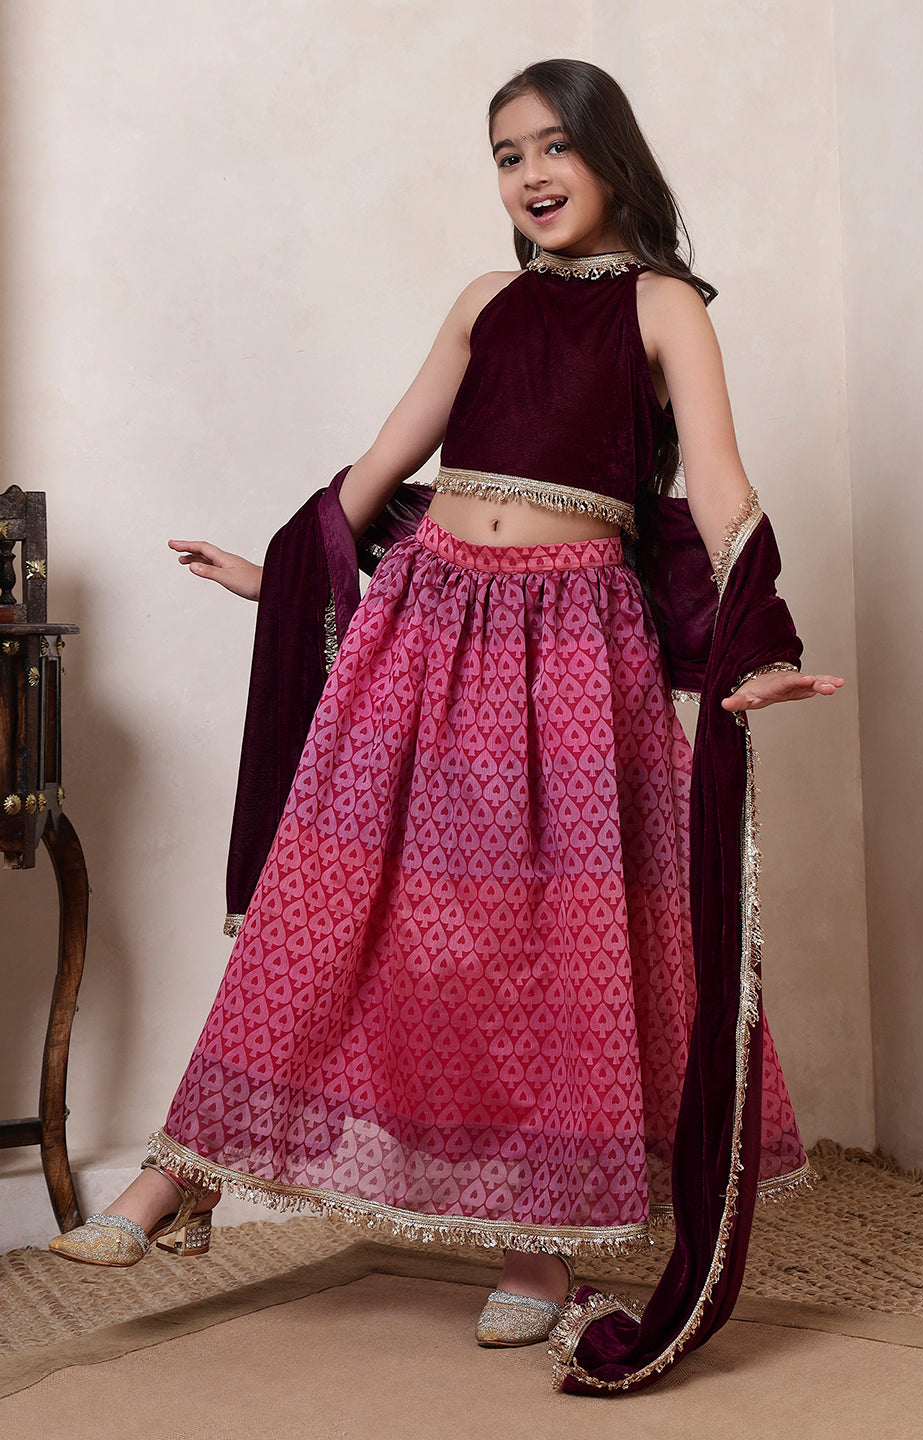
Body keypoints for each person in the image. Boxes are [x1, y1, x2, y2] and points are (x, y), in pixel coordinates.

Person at [49, 59, 842, 1392]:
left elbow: (717, 485)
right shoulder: (485, 299)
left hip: (574, 649)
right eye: (506, 155)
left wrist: (759, 640)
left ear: (610, 155)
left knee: (541, 942)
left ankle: (539, 1251)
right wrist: (283, 579)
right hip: (424, 624)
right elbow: (381, 465)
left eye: (552, 147)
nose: (530, 175)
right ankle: (177, 1176)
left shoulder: (664, 308)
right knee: (329, 907)